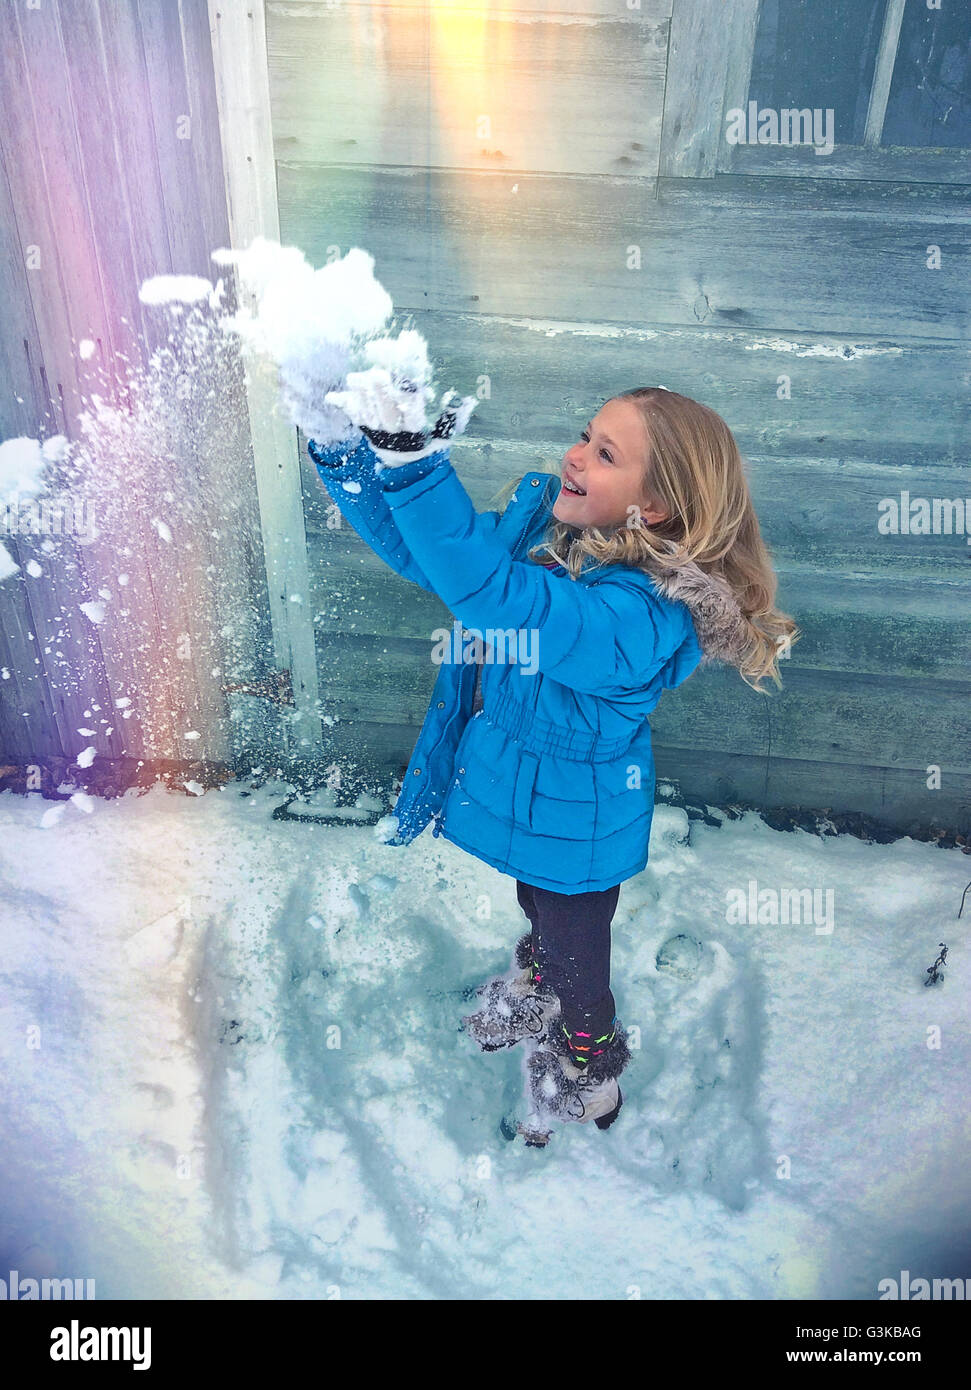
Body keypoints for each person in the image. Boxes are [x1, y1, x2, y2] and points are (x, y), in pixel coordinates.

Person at [309, 355, 799, 1143]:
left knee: (580, 958)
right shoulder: (559, 536)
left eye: (607, 454)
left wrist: (418, 469)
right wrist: (353, 454)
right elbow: (433, 560)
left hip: (575, 824)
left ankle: (588, 1064)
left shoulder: (638, 618)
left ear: (659, 505)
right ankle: (535, 982)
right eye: (585, 436)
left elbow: (492, 598)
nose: (574, 455)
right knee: (536, 909)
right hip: (525, 793)